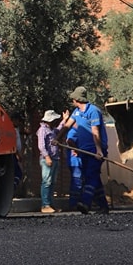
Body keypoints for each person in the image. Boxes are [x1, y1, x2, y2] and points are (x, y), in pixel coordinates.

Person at [57, 86, 109, 214]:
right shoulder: (76, 112)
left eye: (73, 99)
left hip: (95, 151)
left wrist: (98, 150)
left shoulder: (93, 111)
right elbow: (67, 125)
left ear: (76, 99)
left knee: (91, 176)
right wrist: (57, 139)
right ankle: (103, 207)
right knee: (93, 178)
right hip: (83, 151)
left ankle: (85, 203)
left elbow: (95, 132)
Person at [36, 109, 62, 213]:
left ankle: (51, 204)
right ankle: (45, 205)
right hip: (47, 159)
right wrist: (47, 157)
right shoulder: (43, 130)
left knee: (52, 182)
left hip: (55, 158)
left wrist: (64, 121)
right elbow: (41, 145)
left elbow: (59, 130)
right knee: (46, 182)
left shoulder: (51, 129)